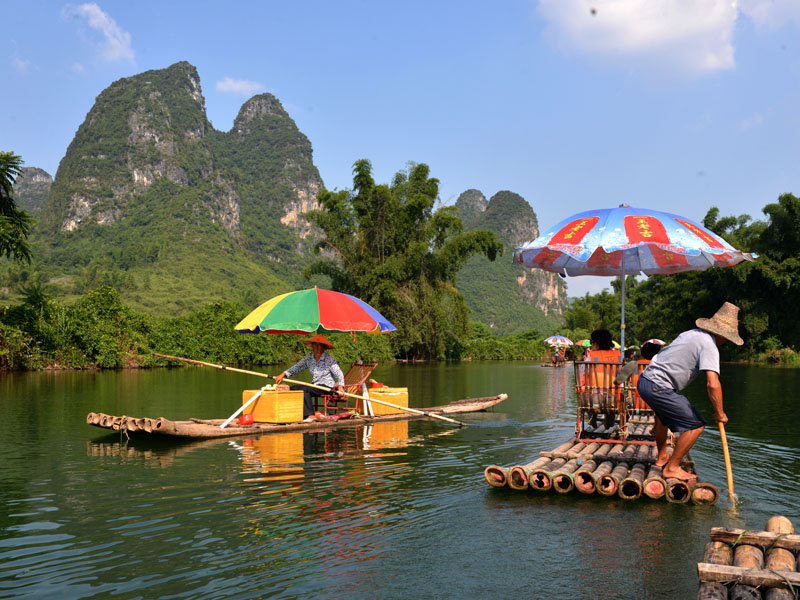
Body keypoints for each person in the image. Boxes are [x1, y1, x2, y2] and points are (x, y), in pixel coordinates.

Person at [636, 302, 743, 482]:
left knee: (662, 419)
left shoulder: (691, 334)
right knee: (696, 425)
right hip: (658, 386)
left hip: (645, 381)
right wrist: (720, 413)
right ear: (723, 335)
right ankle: (671, 468)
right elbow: (713, 384)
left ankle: (662, 457)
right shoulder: (709, 346)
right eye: (727, 338)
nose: (726, 342)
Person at [274, 334, 345, 421]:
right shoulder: (309, 358)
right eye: (316, 345)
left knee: (305, 389)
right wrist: (283, 374)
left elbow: (339, 374)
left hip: (327, 387)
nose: (318, 348)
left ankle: (310, 415)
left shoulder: (329, 359)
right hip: (314, 385)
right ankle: (295, 413)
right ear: (312, 345)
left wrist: (341, 386)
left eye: (321, 346)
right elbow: (297, 367)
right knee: (291, 388)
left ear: (324, 347)